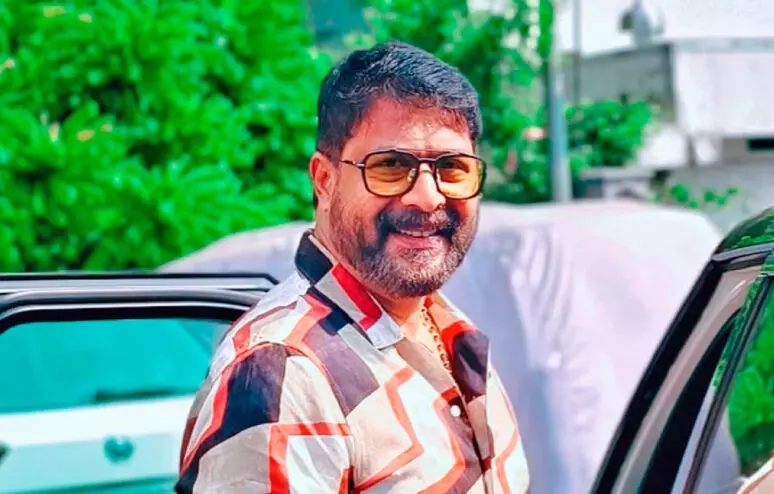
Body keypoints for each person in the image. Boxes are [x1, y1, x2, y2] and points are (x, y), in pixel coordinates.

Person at [176, 41, 530, 493]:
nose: (428, 197)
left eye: (452, 168)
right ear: (324, 181)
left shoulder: (448, 333)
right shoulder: (285, 372)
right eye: (391, 166)